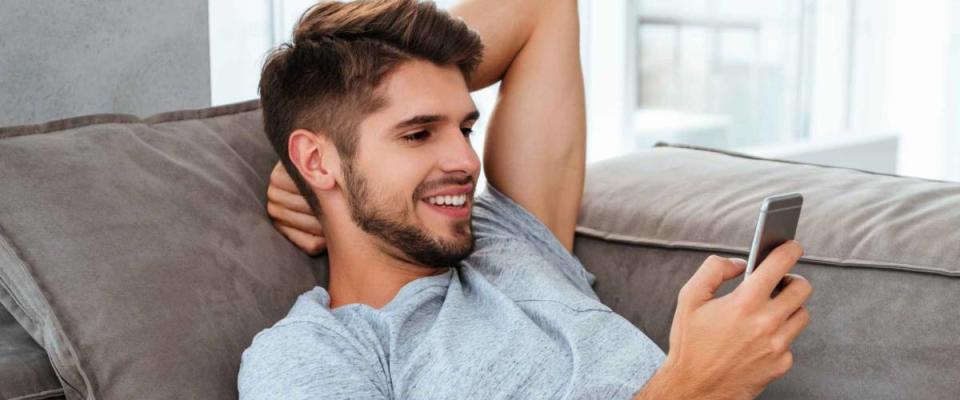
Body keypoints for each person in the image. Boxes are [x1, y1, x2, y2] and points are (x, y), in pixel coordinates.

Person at [239, 0, 814, 398]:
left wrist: (331, 166)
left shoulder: (510, 238)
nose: (466, 163)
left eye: (464, 128)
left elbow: (541, 8)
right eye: (417, 134)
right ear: (317, 159)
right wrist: (693, 387)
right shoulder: (314, 354)